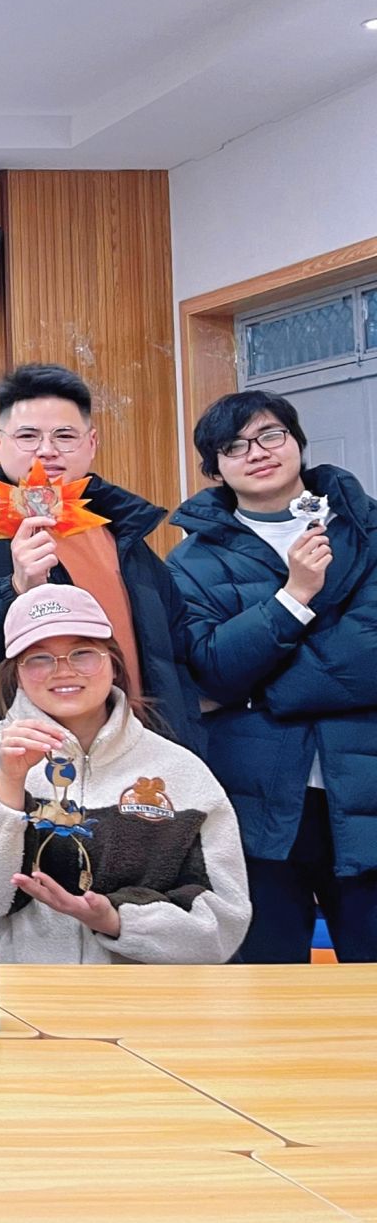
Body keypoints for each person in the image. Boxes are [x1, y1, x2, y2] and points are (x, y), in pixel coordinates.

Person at [167, 391, 377, 962]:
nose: (257, 453)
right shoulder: (194, 561)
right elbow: (211, 669)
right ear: (215, 469)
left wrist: (258, 693)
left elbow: (368, 655)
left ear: (297, 442)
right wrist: (293, 597)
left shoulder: (366, 529)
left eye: (270, 435)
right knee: (264, 977)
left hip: (364, 786)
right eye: (234, 447)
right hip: (256, 800)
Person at [0, 585, 250, 963]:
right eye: (39, 658)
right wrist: (7, 784)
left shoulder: (181, 771)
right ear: (16, 672)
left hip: (144, 996)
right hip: (18, 991)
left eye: (82, 653)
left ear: (113, 661)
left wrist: (118, 921)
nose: (63, 670)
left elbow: (224, 925)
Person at [0, 363, 200, 755]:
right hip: (27, 762)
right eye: (28, 436)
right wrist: (14, 590)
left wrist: (187, 741)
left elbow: (173, 656)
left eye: (65, 436)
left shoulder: (125, 537)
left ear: (92, 442)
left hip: (140, 755)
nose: (47, 450)